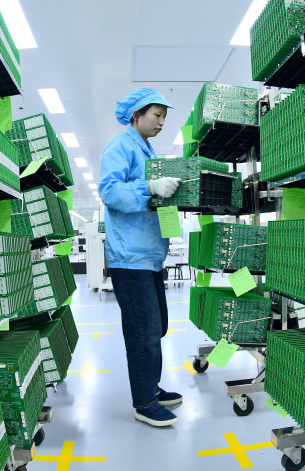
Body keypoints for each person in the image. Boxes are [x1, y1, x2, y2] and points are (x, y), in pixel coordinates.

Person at [99, 87, 183, 427]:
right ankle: (144, 401)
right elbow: (109, 191)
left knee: (157, 326)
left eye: (164, 117)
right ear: (136, 115)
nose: (161, 122)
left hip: (149, 257)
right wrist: (148, 188)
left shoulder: (148, 152)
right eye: (156, 115)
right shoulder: (119, 146)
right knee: (143, 332)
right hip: (128, 258)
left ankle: (153, 386)